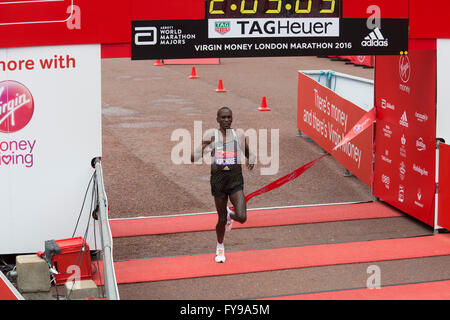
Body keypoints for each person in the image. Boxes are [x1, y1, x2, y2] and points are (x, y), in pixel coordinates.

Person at [191, 107, 254, 263]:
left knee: (242, 217)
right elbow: (194, 156)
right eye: (223, 118)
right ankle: (220, 246)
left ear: (232, 119)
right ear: (217, 119)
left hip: (235, 180)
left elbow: (248, 151)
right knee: (220, 219)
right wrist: (199, 151)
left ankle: (230, 215)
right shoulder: (211, 135)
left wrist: (251, 157)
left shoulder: (238, 135)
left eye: (229, 117)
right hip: (218, 181)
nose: (226, 120)